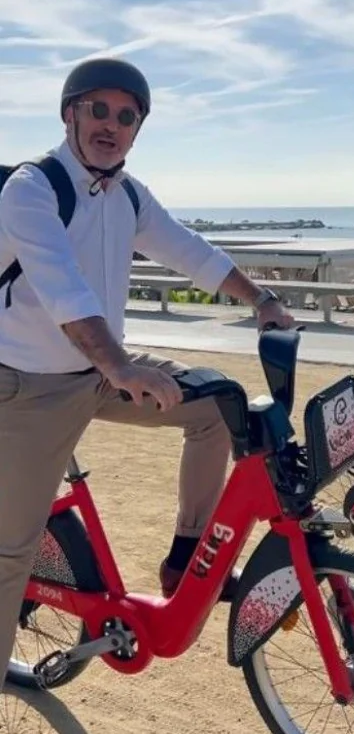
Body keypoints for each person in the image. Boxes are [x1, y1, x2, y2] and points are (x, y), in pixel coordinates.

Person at [0, 57, 296, 676]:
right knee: (9, 554)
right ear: (69, 113)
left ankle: (186, 557)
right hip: (30, 388)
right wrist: (122, 365)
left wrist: (260, 300)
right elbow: (62, 292)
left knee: (219, 405)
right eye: (97, 110)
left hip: (99, 375)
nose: (111, 124)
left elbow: (189, 250)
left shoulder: (128, 195)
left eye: (126, 115)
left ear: (138, 129)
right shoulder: (32, 187)